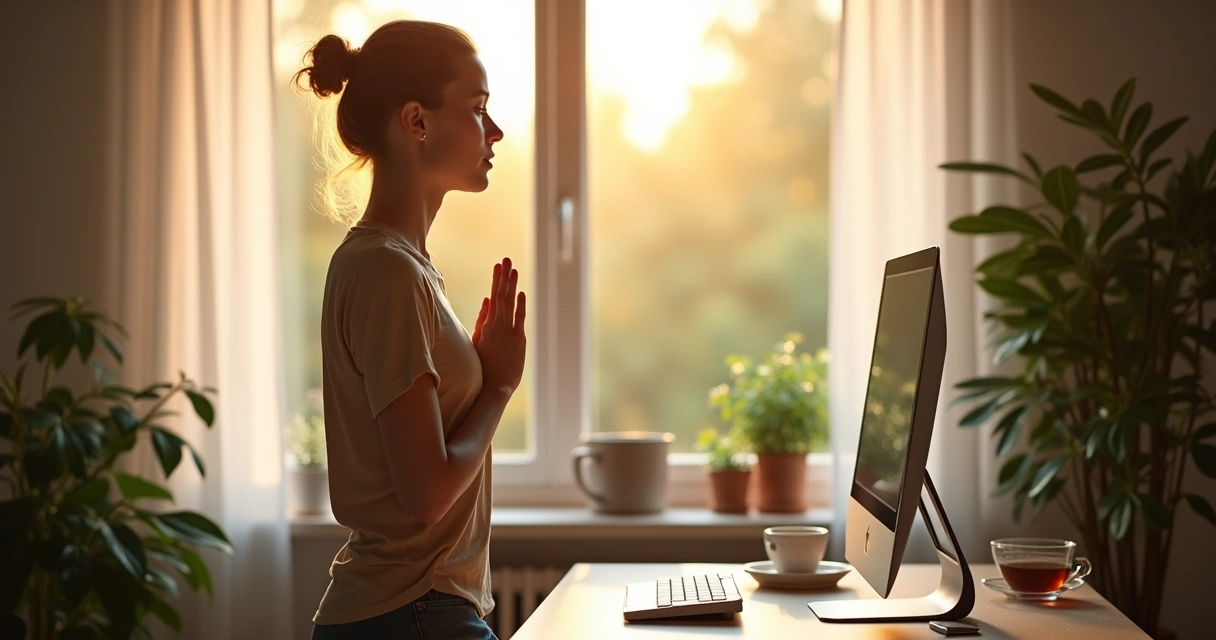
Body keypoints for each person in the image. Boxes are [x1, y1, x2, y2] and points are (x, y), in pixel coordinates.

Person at [294, 19, 524, 640]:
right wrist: (497, 388)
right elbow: (426, 496)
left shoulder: (402, 267)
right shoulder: (387, 271)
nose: (495, 130)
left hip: (415, 612)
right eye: (477, 109)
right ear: (417, 121)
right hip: (411, 614)